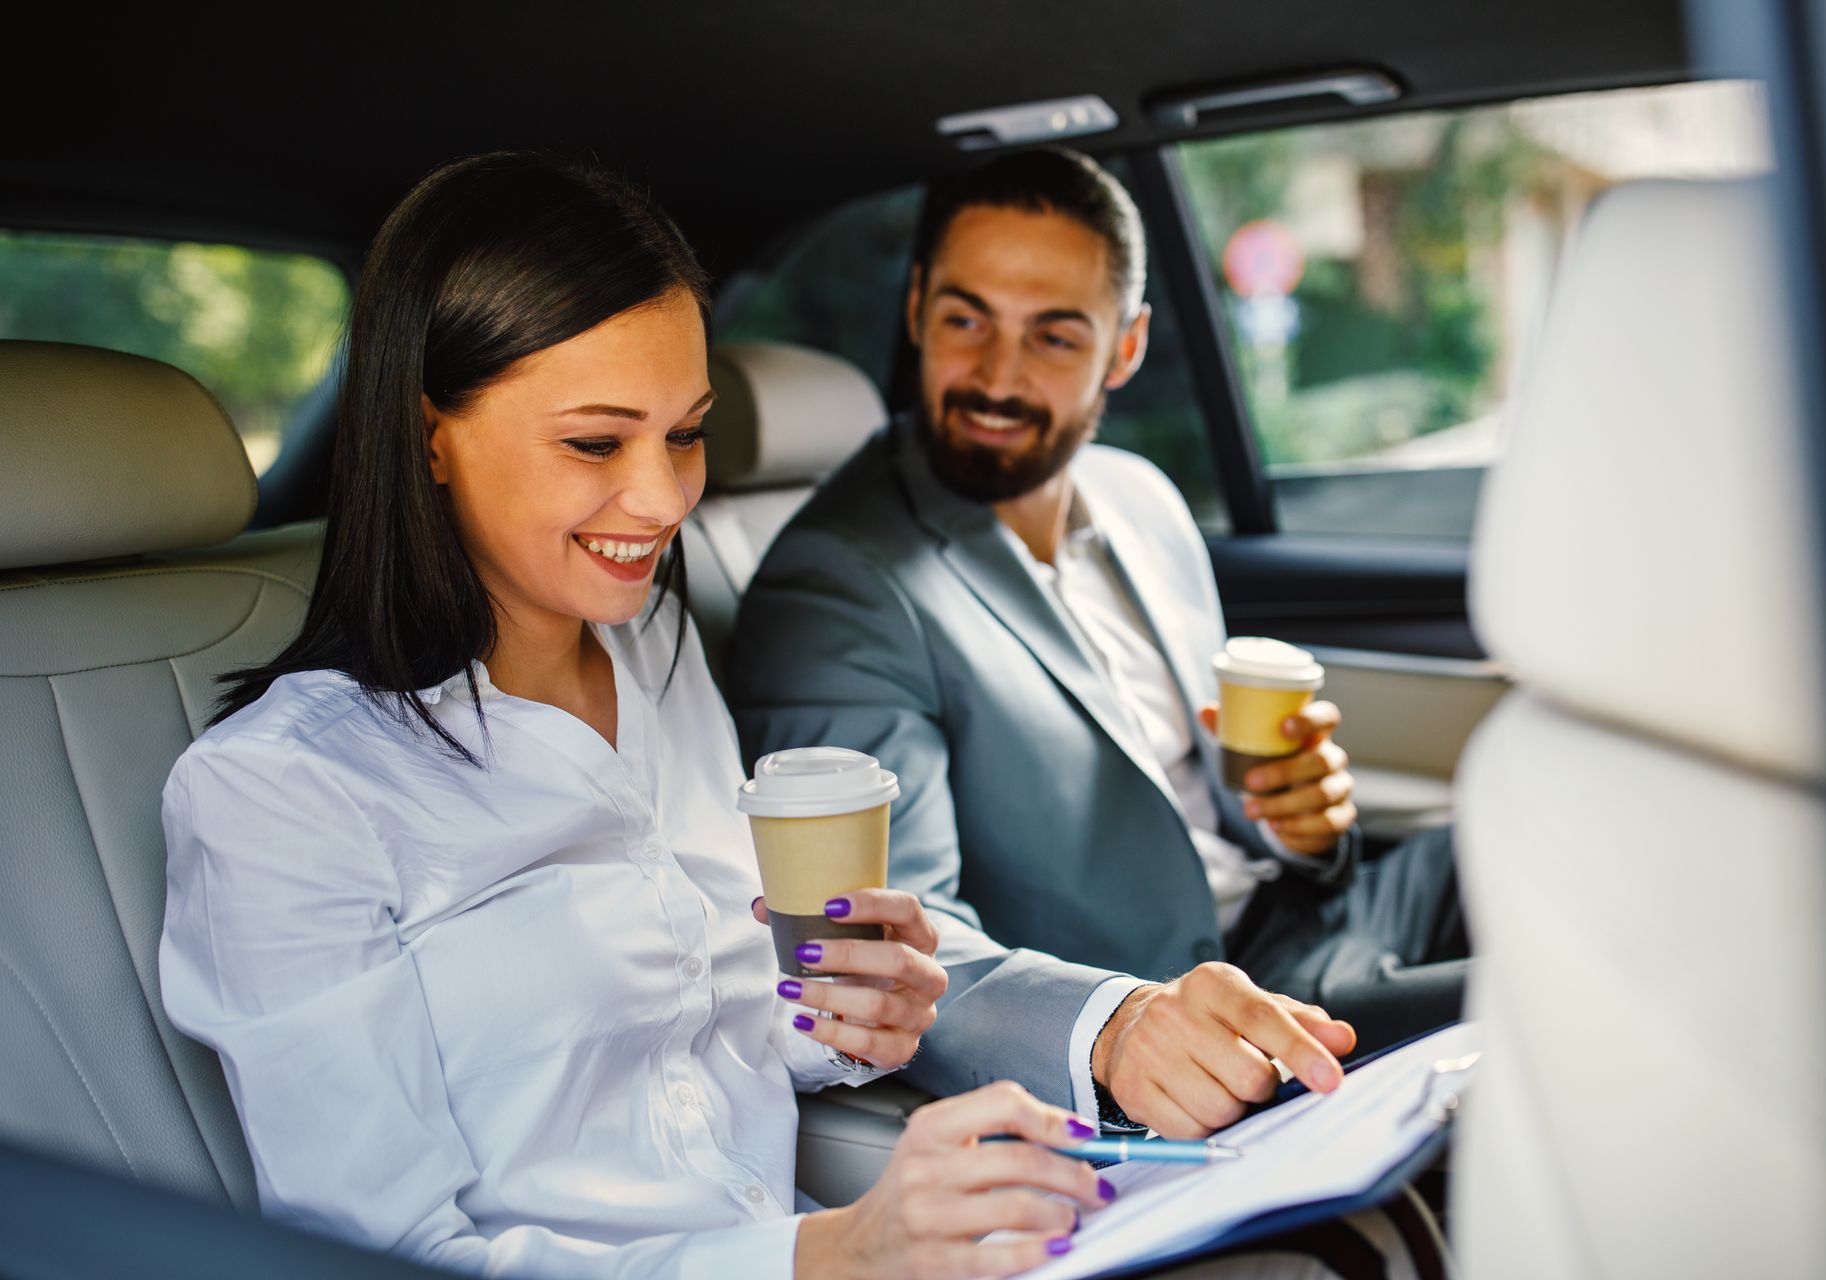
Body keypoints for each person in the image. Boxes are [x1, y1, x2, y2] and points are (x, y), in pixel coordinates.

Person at [157, 151, 1165, 1280]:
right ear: (428, 430)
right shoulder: (282, 792)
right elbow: (387, 1255)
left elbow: (709, 1021)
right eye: (596, 441)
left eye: (685, 432)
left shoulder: (657, 656)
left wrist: (844, 1022)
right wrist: (833, 1252)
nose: (664, 496)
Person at [729, 147, 1470, 1142]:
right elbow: (887, 943)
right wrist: (1118, 1028)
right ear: (915, 309)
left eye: (1054, 336)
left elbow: (1196, 801)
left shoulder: (1141, 498)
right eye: (965, 319)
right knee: (1565, 998)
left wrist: (1299, 823)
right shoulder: (838, 584)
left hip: (1310, 919)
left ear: (1125, 349)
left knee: (1575, 820)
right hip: (1196, 1018)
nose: (996, 375)